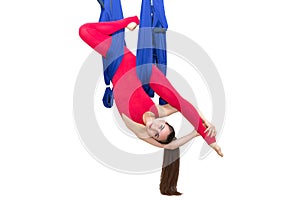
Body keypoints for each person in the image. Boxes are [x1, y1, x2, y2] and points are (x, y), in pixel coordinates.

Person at [79, 16, 223, 195]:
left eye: (155, 134)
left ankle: (128, 21)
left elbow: (170, 146)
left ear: (152, 138)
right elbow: (184, 105)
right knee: (175, 97)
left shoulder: (138, 130)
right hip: (143, 70)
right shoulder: (159, 111)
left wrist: (194, 134)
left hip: (116, 56)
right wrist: (207, 134)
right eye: (161, 126)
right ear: (165, 121)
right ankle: (135, 20)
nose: (154, 127)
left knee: (84, 31)